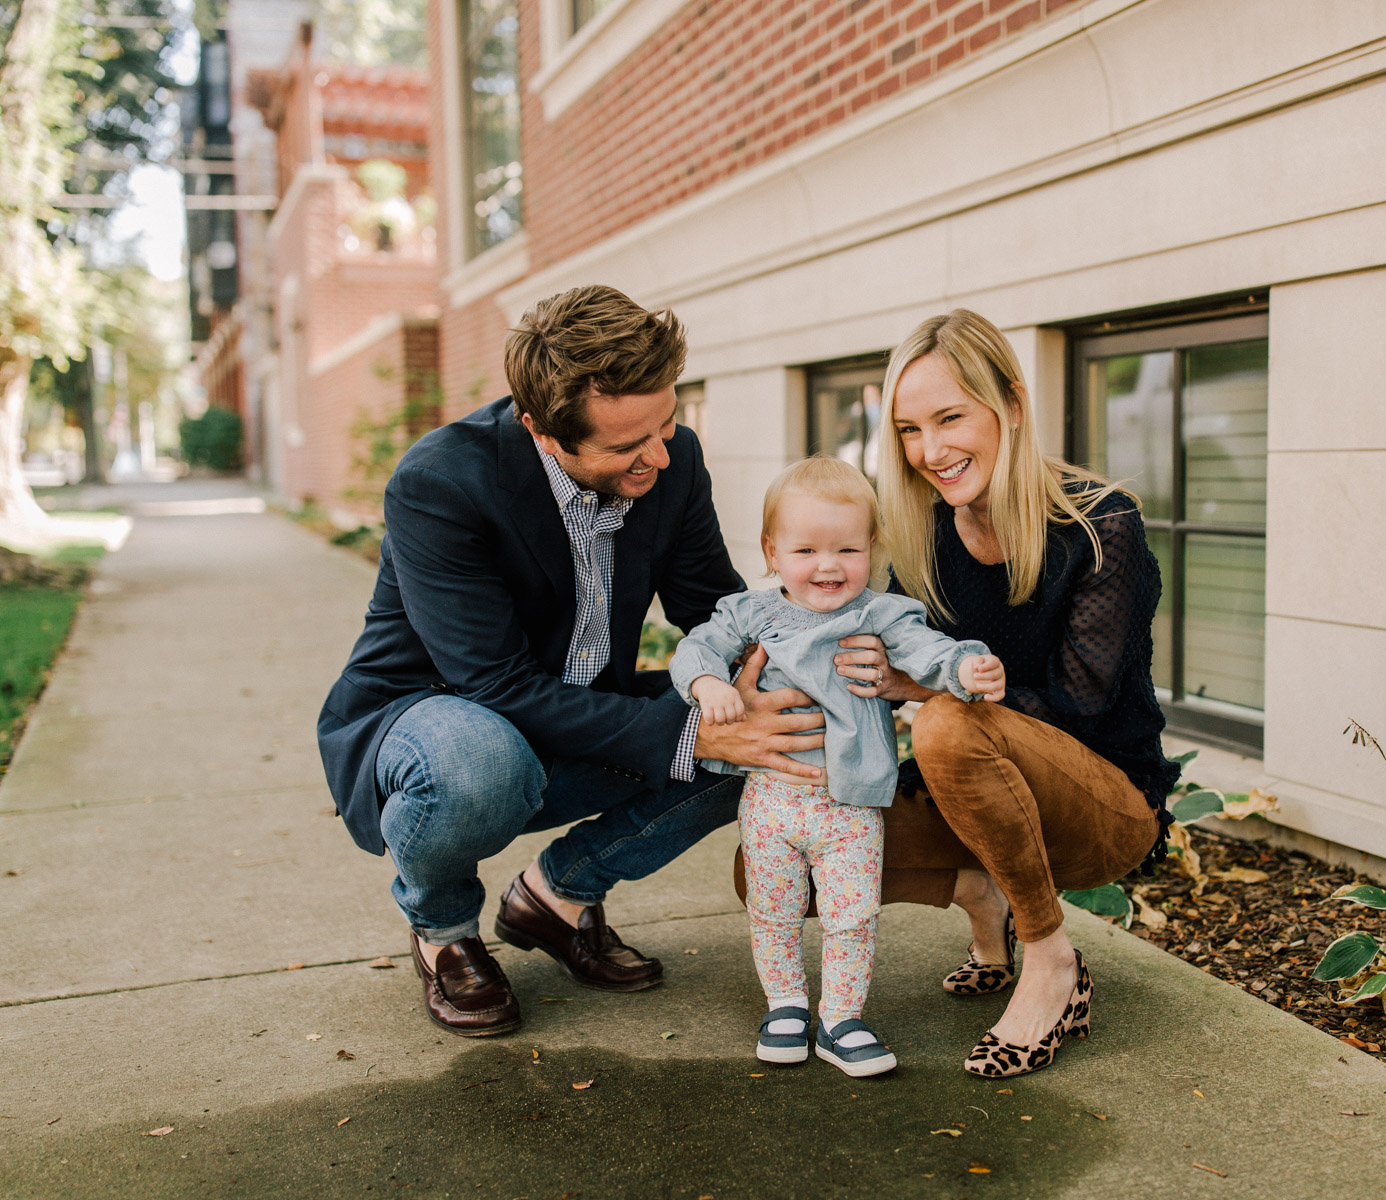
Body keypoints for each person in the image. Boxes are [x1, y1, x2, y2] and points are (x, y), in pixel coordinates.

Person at [315, 285, 825, 1037]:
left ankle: (557, 896)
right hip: (435, 724)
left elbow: (713, 612)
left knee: (773, 733)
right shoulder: (441, 484)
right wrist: (691, 736)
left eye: (668, 424)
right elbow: (492, 683)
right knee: (479, 758)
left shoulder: (671, 460)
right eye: (626, 446)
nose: (658, 454)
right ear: (542, 433)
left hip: (574, 708)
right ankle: (444, 930)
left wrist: (813, 664)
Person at [831, 309, 1178, 1078]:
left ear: (1012, 405)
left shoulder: (1099, 526)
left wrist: (919, 685)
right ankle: (983, 895)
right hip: (980, 794)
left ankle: (1051, 962)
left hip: (1106, 804)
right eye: (910, 430)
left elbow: (1079, 702)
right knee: (772, 869)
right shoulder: (923, 533)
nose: (931, 451)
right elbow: (878, 660)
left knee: (950, 724)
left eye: (950, 417)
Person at [670, 457, 1005, 1077]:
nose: (828, 566)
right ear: (772, 550)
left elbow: (924, 650)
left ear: (872, 548)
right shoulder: (751, 611)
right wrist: (705, 684)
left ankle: (842, 1018)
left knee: (852, 915)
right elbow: (696, 646)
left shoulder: (879, 614)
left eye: (847, 549)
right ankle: (787, 1004)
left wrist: (963, 667)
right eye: (807, 550)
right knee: (773, 910)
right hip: (772, 797)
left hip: (849, 803)